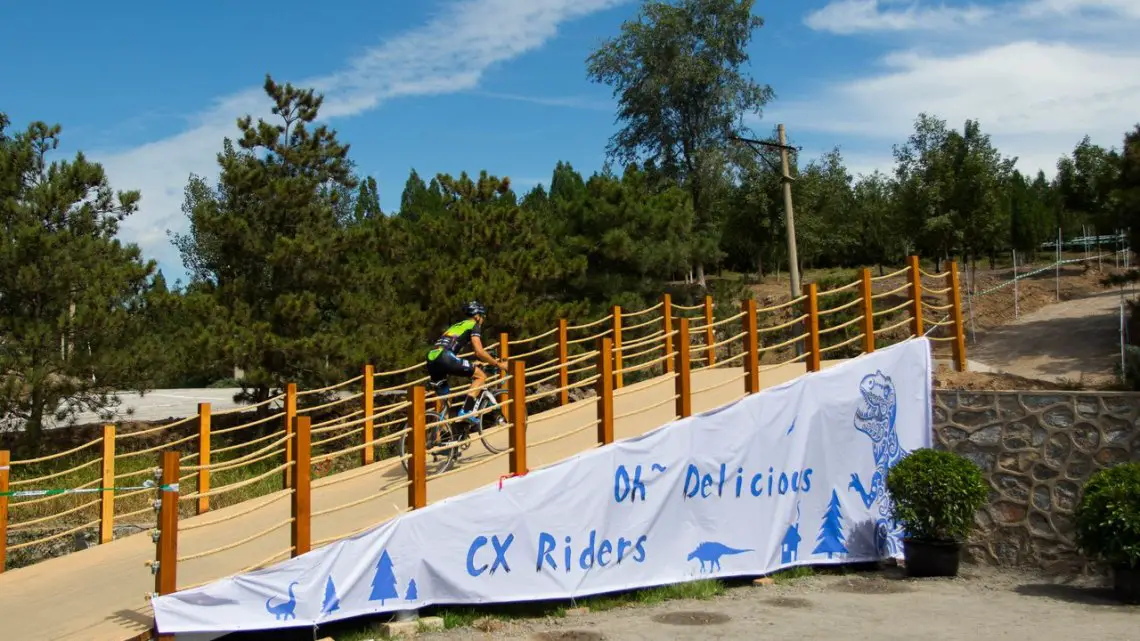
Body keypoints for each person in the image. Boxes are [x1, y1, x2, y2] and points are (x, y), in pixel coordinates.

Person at [425, 300, 508, 425]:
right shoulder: (474, 325)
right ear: (477, 316)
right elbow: (479, 352)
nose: (483, 319)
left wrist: (473, 362)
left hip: (432, 357)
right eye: (482, 316)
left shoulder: (457, 326)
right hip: (445, 356)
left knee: (446, 399)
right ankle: (467, 410)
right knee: (480, 376)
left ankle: (442, 436)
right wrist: (498, 364)